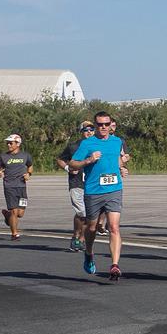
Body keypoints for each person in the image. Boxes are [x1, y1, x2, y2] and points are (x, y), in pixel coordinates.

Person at [67, 111, 127, 281]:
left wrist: (122, 167)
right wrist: (88, 161)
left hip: (114, 189)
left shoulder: (117, 142)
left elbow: (117, 159)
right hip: (93, 191)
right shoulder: (87, 144)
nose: (104, 127)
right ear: (95, 126)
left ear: (111, 125)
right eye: (100, 124)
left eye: (107, 124)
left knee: (114, 227)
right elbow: (73, 163)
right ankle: (89, 252)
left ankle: (115, 265)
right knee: (91, 228)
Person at [56, 121, 94, 252]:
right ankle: (76, 237)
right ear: (81, 132)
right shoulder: (73, 146)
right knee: (82, 213)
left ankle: (81, 239)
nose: (89, 132)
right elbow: (60, 159)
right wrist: (68, 168)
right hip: (76, 183)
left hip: (92, 185)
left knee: (89, 215)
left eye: (91, 129)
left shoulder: (98, 145)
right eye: (86, 130)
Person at [0, 134, 34, 239]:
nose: (8, 145)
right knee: (14, 211)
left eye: (11, 143)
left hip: (21, 187)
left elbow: (30, 166)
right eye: (8, 143)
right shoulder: (3, 156)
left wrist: (29, 174)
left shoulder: (25, 155)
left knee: (20, 213)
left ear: (18, 143)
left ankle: (8, 216)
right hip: (9, 186)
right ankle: (14, 234)